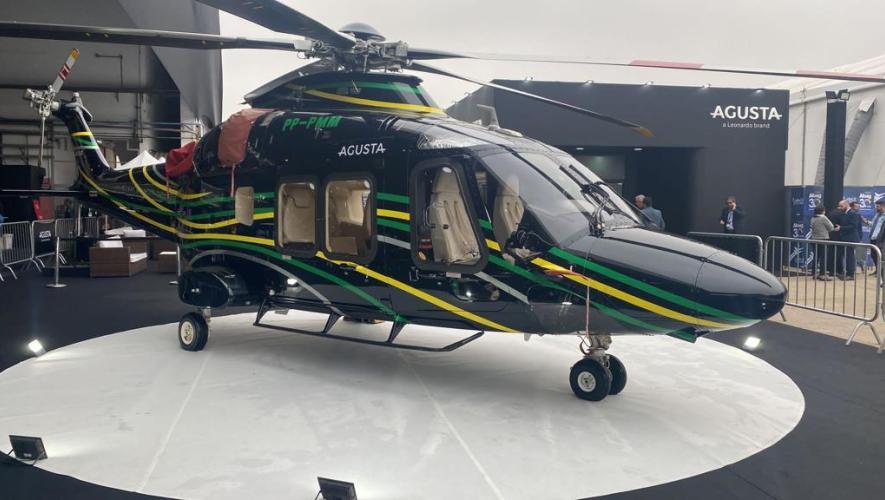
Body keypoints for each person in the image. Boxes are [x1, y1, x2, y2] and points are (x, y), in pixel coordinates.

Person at [834, 199, 862, 280]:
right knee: (847, 256)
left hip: (851, 239)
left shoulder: (853, 213)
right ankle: (847, 273)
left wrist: (841, 228)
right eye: (839, 206)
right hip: (845, 238)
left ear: (846, 205)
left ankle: (850, 274)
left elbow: (853, 226)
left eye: (841, 206)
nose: (840, 208)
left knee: (850, 257)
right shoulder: (844, 213)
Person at [810, 205, 836, 280]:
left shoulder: (812, 218)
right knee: (823, 257)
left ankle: (814, 273)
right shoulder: (823, 218)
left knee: (816, 257)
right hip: (823, 239)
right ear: (823, 211)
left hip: (814, 239)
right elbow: (831, 227)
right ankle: (822, 274)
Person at [869, 198, 885, 274]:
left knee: (881, 256)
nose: (876, 208)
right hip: (873, 238)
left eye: (878, 206)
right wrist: (866, 221)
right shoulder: (877, 215)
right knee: (873, 255)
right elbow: (872, 224)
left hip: (881, 239)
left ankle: (881, 272)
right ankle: (878, 270)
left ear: (883, 206)